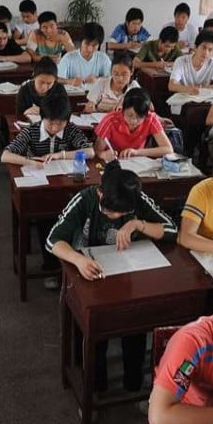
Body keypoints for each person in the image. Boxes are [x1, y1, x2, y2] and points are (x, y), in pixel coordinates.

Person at [47, 161, 177, 392]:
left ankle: (133, 385)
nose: (116, 216)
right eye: (110, 211)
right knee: (93, 336)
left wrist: (137, 223)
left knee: (135, 329)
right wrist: (78, 259)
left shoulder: (136, 198)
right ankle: (95, 389)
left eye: (122, 213)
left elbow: (171, 230)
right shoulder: (85, 199)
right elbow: (53, 240)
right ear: (100, 193)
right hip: (91, 272)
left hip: (128, 274)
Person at [3, 90, 95, 287]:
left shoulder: (70, 130)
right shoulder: (32, 131)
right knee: (48, 218)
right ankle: (52, 268)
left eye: (60, 124)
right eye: (50, 123)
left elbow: (90, 151)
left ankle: (76, 263)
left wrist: (62, 155)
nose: (54, 128)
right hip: (40, 187)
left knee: (80, 216)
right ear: (42, 118)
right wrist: (29, 161)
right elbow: (6, 156)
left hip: (67, 184)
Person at [94, 88, 174, 161]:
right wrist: (103, 154)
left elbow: (168, 149)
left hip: (136, 162)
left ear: (146, 115)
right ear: (122, 110)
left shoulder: (151, 119)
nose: (133, 121)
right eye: (129, 115)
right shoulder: (110, 120)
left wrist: (137, 152)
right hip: (113, 162)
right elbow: (97, 150)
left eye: (139, 117)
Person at [168, 30, 213, 96]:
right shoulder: (181, 61)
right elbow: (172, 85)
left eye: (210, 50)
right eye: (203, 47)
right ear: (195, 47)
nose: (206, 52)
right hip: (183, 101)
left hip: (202, 101)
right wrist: (191, 90)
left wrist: (203, 89)